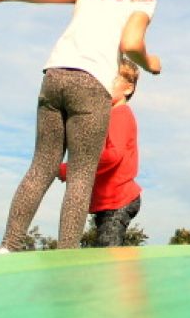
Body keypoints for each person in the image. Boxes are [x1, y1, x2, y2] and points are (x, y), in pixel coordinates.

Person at [0, 0, 188, 250]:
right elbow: (131, 44)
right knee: (81, 174)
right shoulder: (143, 2)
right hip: (91, 87)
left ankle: (8, 244)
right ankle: (67, 253)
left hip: (54, 76)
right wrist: (150, 63)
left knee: (41, 165)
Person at [57, 61, 143, 247]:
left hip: (119, 200)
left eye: (113, 80)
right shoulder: (109, 116)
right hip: (108, 202)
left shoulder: (119, 115)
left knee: (108, 251)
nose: (105, 84)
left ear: (128, 88)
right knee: (104, 251)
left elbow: (114, 155)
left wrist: (71, 169)